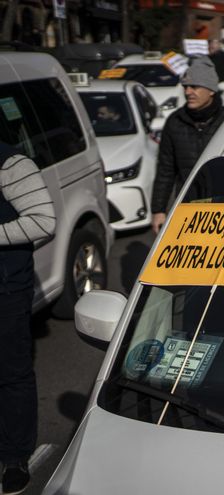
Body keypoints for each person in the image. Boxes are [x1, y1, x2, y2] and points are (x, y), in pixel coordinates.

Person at [0, 143, 56, 495]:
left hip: (4, 290)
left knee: (10, 372)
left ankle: (15, 455)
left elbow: (44, 221)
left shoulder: (11, 164)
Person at [150, 57, 224, 234]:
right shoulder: (175, 122)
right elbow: (165, 170)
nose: (188, 92)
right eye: (185, 87)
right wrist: (158, 210)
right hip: (189, 207)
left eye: (194, 87)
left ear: (211, 90)